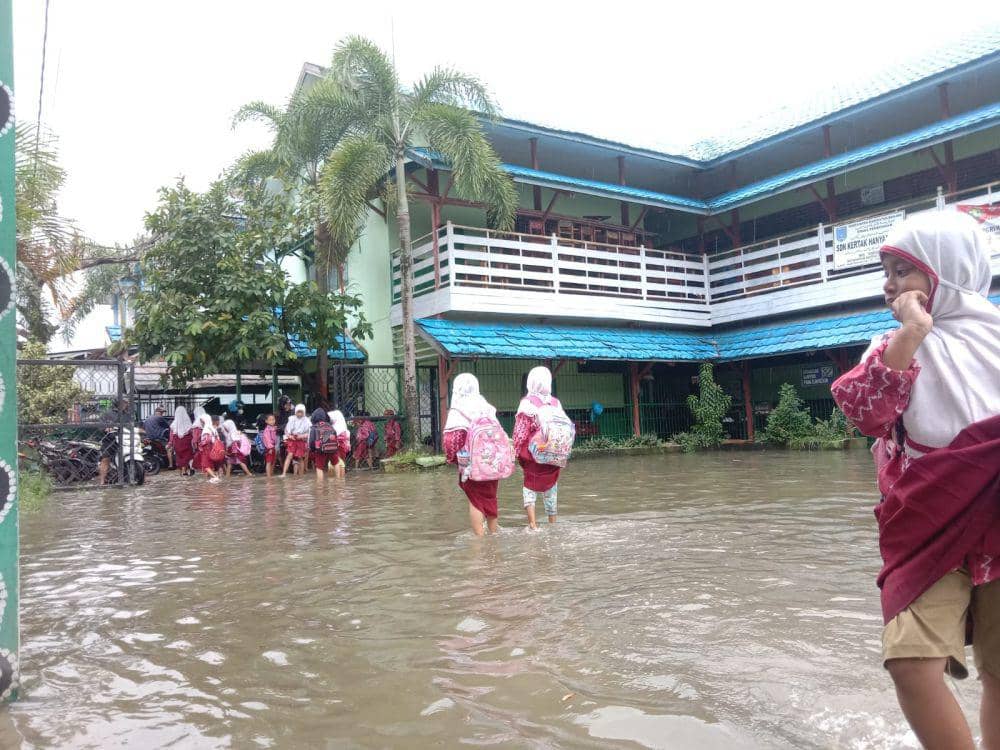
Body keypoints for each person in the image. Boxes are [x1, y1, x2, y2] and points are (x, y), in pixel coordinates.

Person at [830, 211, 1000, 749]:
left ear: (946, 271)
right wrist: (914, 332)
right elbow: (865, 412)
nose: (889, 284)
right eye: (886, 270)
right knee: (909, 662)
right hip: (928, 528)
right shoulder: (893, 344)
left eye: (903, 269)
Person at [443, 373, 502, 536]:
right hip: (492, 460)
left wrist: (452, 459)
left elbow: (451, 442)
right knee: (490, 496)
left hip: (471, 463)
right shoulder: (487, 407)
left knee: (476, 499)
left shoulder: (457, 410)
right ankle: (493, 533)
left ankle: (479, 539)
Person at [513, 366, 570, 529]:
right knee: (551, 487)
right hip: (554, 454)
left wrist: (516, 452)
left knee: (530, 486)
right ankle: (553, 523)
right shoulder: (555, 402)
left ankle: (533, 524)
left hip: (534, 454)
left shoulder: (527, 403)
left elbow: (520, 433)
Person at [281, 403, 311, 476]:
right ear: (295, 412)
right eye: (298, 412)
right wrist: (290, 436)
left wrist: (302, 436)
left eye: (301, 412)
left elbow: (310, 432)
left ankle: (301, 475)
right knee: (290, 455)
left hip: (301, 441)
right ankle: (284, 473)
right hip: (292, 440)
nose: (300, 414)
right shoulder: (292, 419)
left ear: (304, 412)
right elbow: (286, 430)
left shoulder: (307, 421)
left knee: (300, 457)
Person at [308, 409, 339, 479]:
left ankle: (320, 486)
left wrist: (313, 450)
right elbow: (335, 436)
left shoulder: (314, 427)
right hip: (333, 449)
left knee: (319, 467)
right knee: (336, 463)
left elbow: (311, 441)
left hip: (320, 450)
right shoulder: (330, 426)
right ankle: (339, 480)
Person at [195, 413, 222, 483]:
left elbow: (206, 440)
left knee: (205, 465)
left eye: (202, 421)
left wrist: (200, 444)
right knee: (210, 465)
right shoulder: (213, 428)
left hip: (206, 448)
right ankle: (208, 481)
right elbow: (218, 439)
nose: (201, 423)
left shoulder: (206, 428)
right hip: (214, 449)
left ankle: (215, 477)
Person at [168, 406, 195, 476]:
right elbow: (192, 433)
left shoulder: (173, 424)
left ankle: (183, 471)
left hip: (177, 443)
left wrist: (170, 443)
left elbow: (171, 436)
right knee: (187, 456)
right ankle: (187, 469)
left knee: (180, 456)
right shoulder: (188, 423)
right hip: (187, 442)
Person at [328, 410, 351, 479]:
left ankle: (338, 479)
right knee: (341, 462)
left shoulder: (338, 428)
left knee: (337, 463)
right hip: (340, 448)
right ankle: (340, 479)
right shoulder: (342, 428)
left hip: (338, 448)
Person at [260, 413, 279, 477]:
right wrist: (270, 448)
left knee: (272, 462)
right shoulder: (267, 430)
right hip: (269, 448)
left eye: (273, 419)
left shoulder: (272, 428)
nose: (272, 421)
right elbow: (267, 440)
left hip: (272, 447)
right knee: (268, 462)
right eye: (270, 420)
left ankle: (270, 474)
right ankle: (268, 476)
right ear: (266, 421)